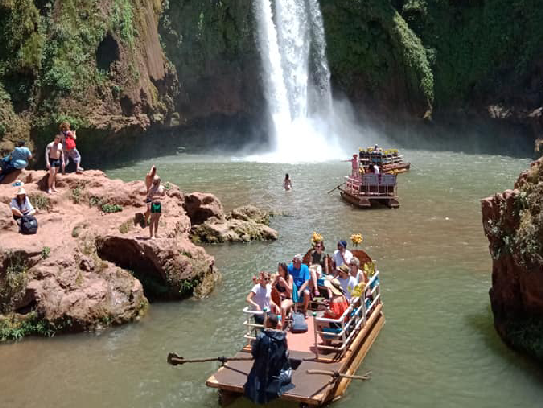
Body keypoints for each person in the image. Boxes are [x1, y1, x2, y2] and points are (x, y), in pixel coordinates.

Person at [244, 313, 294, 404]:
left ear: (269, 323)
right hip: (277, 369)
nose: (265, 321)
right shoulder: (283, 337)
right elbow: (285, 353)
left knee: (255, 376)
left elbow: (254, 353)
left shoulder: (261, 336)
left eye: (267, 320)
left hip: (263, 369)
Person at [317, 278, 349, 345]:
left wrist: (325, 309)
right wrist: (329, 302)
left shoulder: (335, 300)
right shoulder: (342, 296)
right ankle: (328, 339)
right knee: (323, 318)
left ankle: (326, 342)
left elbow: (334, 314)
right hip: (343, 320)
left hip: (337, 323)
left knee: (317, 323)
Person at [273, 263, 293, 328]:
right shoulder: (277, 277)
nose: (279, 272)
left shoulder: (289, 277)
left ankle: (281, 325)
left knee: (283, 307)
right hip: (279, 298)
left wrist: (284, 282)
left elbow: (290, 291)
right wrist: (275, 281)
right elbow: (272, 286)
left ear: (284, 270)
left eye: (280, 270)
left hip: (288, 298)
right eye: (278, 270)